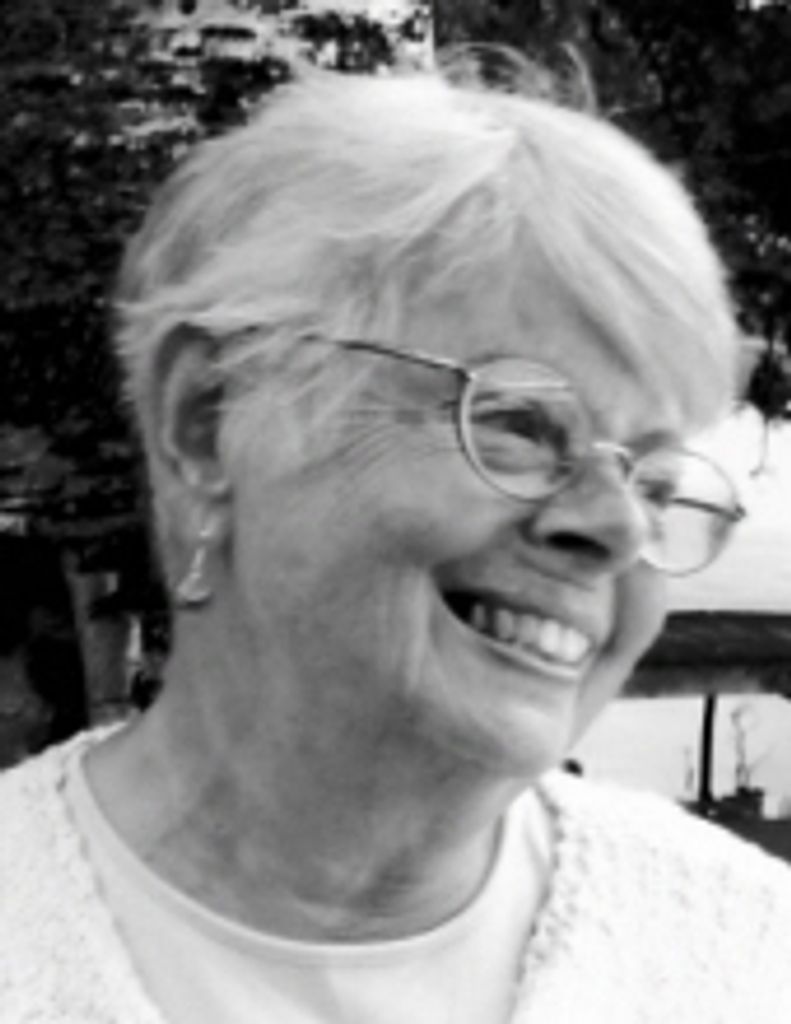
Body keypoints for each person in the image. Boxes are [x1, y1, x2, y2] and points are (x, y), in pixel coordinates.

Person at [3, 56, 791, 1023]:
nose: (618, 527)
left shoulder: (748, 955)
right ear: (207, 421)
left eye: (654, 480)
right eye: (517, 422)